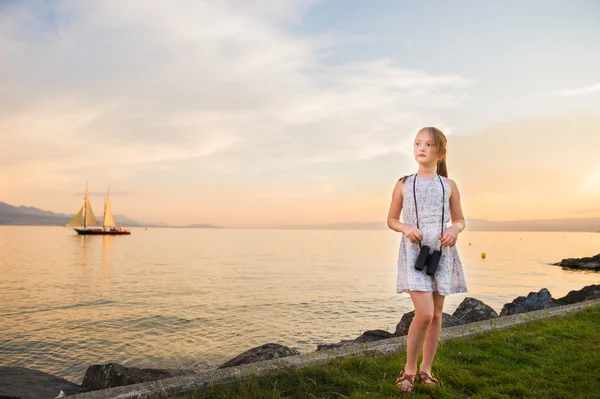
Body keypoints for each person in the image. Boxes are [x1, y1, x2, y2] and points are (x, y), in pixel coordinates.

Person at [387, 126, 468, 393]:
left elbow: (459, 219)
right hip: (414, 251)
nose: (421, 148)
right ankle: (408, 371)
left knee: (437, 316)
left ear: (441, 153)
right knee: (425, 313)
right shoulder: (403, 183)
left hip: (442, 253)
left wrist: (454, 230)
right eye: (417, 143)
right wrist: (406, 228)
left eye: (429, 145)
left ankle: (426, 370)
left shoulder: (449, 186)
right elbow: (391, 219)